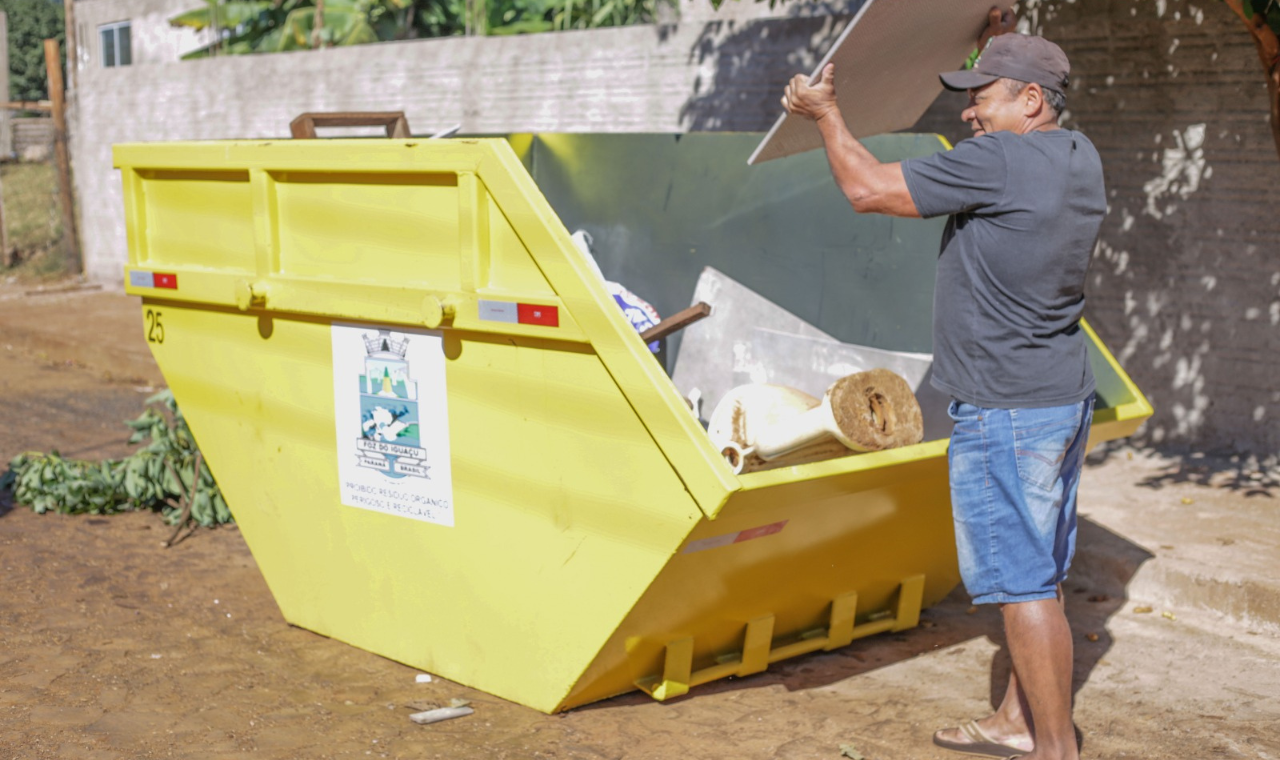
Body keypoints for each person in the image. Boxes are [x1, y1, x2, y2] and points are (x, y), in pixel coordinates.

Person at [781, 32, 1105, 760]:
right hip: (1061, 395)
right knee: (1040, 572)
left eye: (981, 98)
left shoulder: (1000, 160)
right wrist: (998, 32)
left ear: (1029, 101)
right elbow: (1030, 92)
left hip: (1006, 407)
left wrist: (826, 114)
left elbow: (867, 190)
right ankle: (1019, 722)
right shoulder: (1081, 157)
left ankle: (1056, 749)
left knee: (1020, 584)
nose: (967, 114)